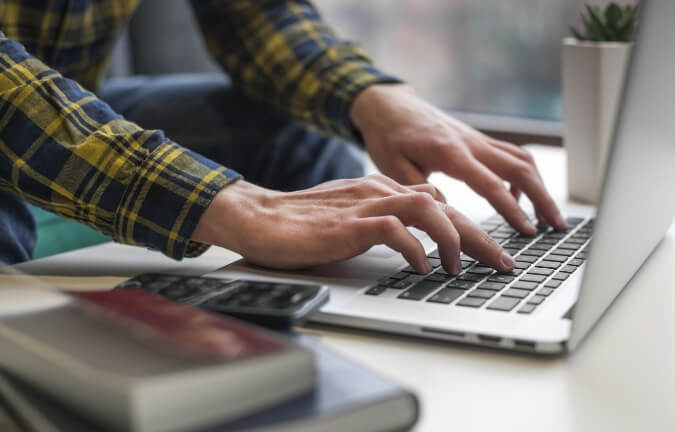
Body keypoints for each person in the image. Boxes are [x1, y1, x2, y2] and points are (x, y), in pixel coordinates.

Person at [0, 0, 565, 274]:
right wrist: (237, 204)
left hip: (60, 93)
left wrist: (374, 98)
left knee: (292, 140)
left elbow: (253, 12)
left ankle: (358, 330)